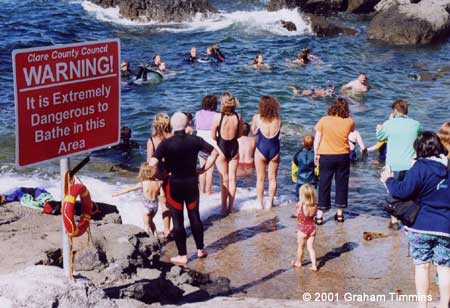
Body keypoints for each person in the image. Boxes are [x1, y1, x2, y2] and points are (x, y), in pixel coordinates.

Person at [381, 132, 450, 308]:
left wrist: (387, 179)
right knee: (444, 268)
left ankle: (422, 306)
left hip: (420, 225)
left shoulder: (419, 167)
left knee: (422, 266)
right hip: (445, 226)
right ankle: (443, 305)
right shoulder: (447, 168)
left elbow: (402, 191)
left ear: (419, 149)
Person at [149, 112, 219, 266]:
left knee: (178, 219)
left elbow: (152, 162)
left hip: (174, 184)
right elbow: (214, 152)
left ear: (172, 126)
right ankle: (200, 249)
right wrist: (205, 168)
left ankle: (183, 255)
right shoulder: (195, 140)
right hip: (192, 182)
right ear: (187, 124)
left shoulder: (166, 143)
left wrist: (160, 175)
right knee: (194, 215)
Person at [376, 99, 422, 230]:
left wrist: (381, 126)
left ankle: (394, 220)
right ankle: (410, 216)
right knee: (410, 192)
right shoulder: (415, 124)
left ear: (395, 111)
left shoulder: (389, 123)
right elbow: (421, 134)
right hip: (410, 164)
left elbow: (380, 137)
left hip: (393, 164)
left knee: (393, 191)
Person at [314, 98, 355, 224]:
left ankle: (320, 215)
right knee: (342, 184)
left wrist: (316, 154)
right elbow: (351, 137)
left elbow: (317, 139)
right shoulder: (349, 121)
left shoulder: (324, 120)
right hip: (342, 155)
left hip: (326, 155)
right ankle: (340, 214)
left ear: (332, 107)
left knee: (324, 184)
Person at [211, 92, 243, 213]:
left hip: (221, 147)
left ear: (223, 103)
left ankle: (223, 207)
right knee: (232, 179)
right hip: (234, 146)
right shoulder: (238, 116)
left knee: (224, 179)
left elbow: (213, 136)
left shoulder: (217, 117)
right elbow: (240, 134)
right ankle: (231, 207)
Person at [112, 162, 161, 237]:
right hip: (155, 206)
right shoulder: (158, 183)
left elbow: (129, 189)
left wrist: (117, 193)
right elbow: (160, 194)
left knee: (146, 226)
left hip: (146, 206)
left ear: (142, 172)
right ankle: (156, 238)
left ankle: (148, 242)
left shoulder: (142, 183)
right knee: (151, 222)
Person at [251, 96, 282, 209]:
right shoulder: (278, 118)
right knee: (272, 178)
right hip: (275, 149)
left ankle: (260, 203)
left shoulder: (257, 117)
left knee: (260, 178)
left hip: (261, 149)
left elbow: (253, 132)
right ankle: (270, 203)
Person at [147, 113, 172, 239]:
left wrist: (148, 179)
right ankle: (167, 230)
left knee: (150, 203)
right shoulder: (171, 138)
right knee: (166, 204)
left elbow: (149, 162)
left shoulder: (152, 140)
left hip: (156, 177)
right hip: (170, 174)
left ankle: (151, 229)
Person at [195, 95, 218, 195]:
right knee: (210, 170)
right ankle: (208, 191)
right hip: (211, 146)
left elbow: (196, 127)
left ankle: (201, 191)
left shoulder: (198, 113)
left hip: (200, 144)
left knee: (202, 168)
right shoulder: (216, 115)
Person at [292, 184, 318, 271]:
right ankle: (314, 265)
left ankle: (298, 262)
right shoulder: (315, 205)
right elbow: (310, 216)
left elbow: (301, 216)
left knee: (300, 247)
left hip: (302, 230)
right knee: (310, 248)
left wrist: (296, 214)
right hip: (312, 229)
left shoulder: (302, 206)